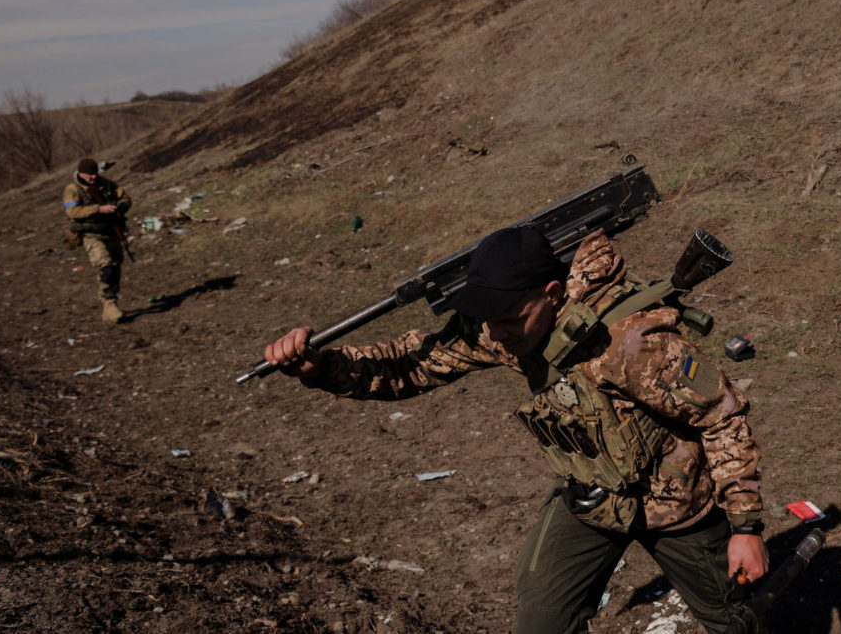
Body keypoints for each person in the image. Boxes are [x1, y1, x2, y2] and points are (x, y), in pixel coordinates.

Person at [264, 226, 768, 633]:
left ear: (551, 295)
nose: (494, 336)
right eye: (486, 322)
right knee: (543, 618)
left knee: (732, 620)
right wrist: (319, 366)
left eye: (508, 320)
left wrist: (745, 528)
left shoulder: (632, 346)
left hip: (675, 509)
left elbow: (721, 416)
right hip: (591, 496)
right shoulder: (500, 328)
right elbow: (411, 365)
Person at [63, 158, 132, 323]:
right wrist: (98, 209)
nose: (93, 178)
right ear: (80, 173)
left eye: (95, 174)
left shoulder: (107, 184)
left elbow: (125, 198)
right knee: (106, 266)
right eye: (89, 175)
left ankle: (111, 304)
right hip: (91, 235)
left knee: (115, 268)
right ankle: (108, 304)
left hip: (112, 232)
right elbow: (72, 211)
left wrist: (119, 209)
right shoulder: (73, 189)